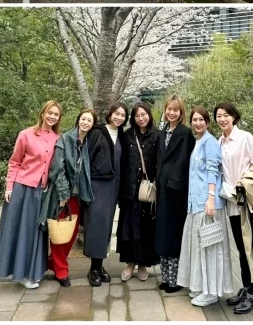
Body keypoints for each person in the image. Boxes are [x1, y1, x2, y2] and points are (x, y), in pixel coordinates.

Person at [0, 101, 62, 289]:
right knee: (21, 231)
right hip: (23, 189)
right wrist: (9, 188)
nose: (52, 117)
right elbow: (14, 162)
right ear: (42, 113)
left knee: (37, 233)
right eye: (50, 112)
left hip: (43, 192)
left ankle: (34, 271)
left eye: (56, 114)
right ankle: (21, 273)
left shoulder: (58, 138)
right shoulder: (26, 134)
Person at [216, 102, 253, 315]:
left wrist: (244, 180)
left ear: (234, 117)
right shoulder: (220, 142)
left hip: (248, 202)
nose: (222, 119)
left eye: (226, 115)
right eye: (219, 116)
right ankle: (247, 287)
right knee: (242, 249)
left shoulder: (245, 138)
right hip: (232, 203)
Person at [178, 106, 233, 306]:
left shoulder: (210, 142)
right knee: (200, 246)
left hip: (207, 203)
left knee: (210, 247)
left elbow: (213, 171)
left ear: (208, 123)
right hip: (196, 203)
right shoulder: (198, 141)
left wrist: (210, 198)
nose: (198, 123)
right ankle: (202, 286)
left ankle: (211, 292)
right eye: (195, 119)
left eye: (202, 119)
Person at [41, 109, 96, 286]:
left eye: (90, 120)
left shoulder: (88, 142)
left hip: (79, 196)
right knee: (59, 233)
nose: (86, 122)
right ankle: (61, 270)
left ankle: (53, 262)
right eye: (83, 119)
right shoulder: (65, 139)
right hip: (62, 195)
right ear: (78, 120)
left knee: (70, 234)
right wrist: (63, 194)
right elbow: (56, 169)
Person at [83, 102, 127, 286]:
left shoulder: (123, 136)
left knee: (107, 225)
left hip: (114, 186)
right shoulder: (97, 132)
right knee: (95, 225)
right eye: (116, 113)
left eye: (123, 115)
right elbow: (86, 158)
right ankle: (93, 268)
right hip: (97, 184)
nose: (119, 117)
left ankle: (99, 265)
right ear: (110, 114)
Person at [155, 94, 195, 294]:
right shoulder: (162, 133)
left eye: (176, 110)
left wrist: (175, 182)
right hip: (162, 190)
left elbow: (186, 163)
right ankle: (166, 277)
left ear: (181, 113)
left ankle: (176, 279)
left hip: (177, 192)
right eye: (169, 109)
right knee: (163, 232)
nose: (171, 113)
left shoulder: (186, 133)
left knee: (175, 234)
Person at [116, 101, 160, 282]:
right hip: (129, 189)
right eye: (137, 116)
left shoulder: (157, 136)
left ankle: (142, 264)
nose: (141, 118)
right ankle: (129, 263)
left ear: (149, 114)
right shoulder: (127, 135)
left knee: (146, 227)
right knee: (128, 227)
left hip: (147, 190)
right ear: (132, 118)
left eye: (143, 114)